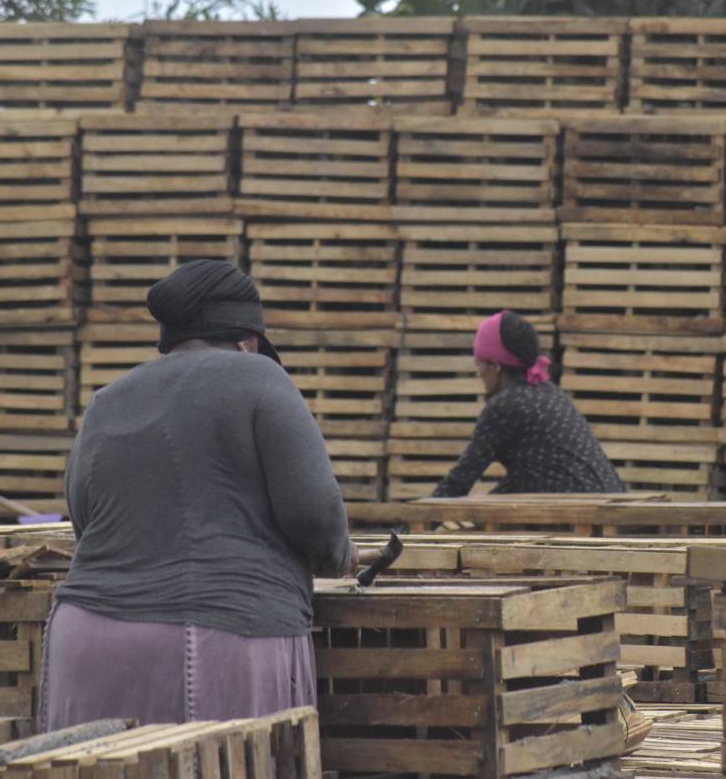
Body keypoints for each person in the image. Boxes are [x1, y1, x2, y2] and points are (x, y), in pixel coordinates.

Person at [41, 259, 366, 729]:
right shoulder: (260, 377)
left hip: (88, 639)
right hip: (216, 640)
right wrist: (341, 555)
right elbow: (315, 515)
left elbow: (84, 520)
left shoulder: (107, 400)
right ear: (249, 341)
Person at [432, 310, 624, 498]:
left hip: (580, 511)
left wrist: (409, 525)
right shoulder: (548, 392)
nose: (478, 373)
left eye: (479, 363)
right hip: (608, 499)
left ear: (496, 365)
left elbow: (461, 479)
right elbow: (529, 475)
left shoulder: (505, 405)